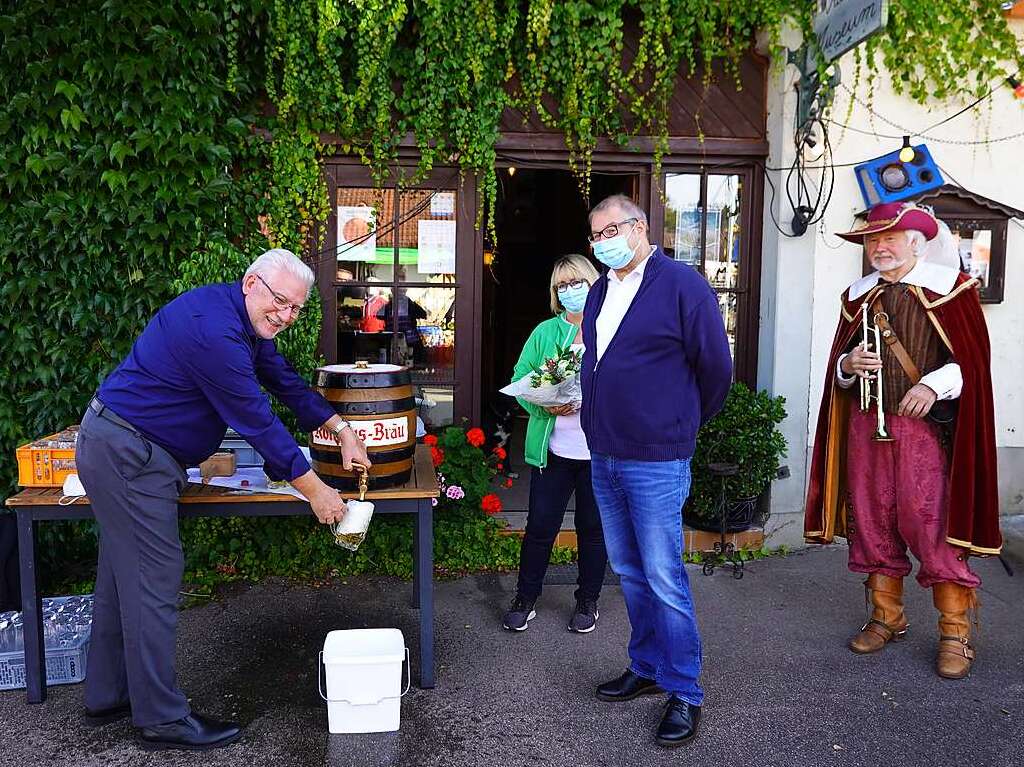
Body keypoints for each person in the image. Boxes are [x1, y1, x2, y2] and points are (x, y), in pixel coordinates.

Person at [75, 248, 370, 750]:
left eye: (295, 308)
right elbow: (257, 419)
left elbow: (285, 383)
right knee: (153, 580)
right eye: (280, 301)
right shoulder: (213, 331)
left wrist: (340, 428)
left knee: (121, 578)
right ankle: (162, 720)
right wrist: (317, 493)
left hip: (126, 447)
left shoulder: (239, 319)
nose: (285, 315)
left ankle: (108, 695)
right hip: (130, 454)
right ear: (251, 282)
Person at [805, 202, 1000, 680]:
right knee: (872, 518)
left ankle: (955, 630)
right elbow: (839, 367)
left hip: (922, 431)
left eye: (890, 238)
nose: (880, 248)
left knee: (929, 520)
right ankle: (886, 614)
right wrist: (847, 367)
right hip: (865, 427)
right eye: (872, 240)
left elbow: (972, 363)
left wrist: (932, 385)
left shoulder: (951, 291)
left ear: (916, 242)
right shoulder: (857, 296)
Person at [580, 195, 732, 748]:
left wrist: (678, 423)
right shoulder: (600, 289)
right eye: (594, 236)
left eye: (611, 230)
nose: (602, 243)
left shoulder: (681, 285)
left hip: (657, 458)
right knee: (629, 569)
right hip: (607, 453)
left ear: (641, 228)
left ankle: (685, 690)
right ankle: (646, 667)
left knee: (664, 575)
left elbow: (715, 368)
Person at [502, 254, 608, 634]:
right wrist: (545, 402)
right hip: (554, 450)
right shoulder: (545, 333)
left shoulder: (611, 327)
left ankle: (588, 601)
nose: (568, 291)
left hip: (599, 453)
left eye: (575, 282)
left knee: (592, 529)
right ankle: (525, 599)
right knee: (540, 527)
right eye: (561, 286)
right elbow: (520, 379)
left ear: (593, 283)